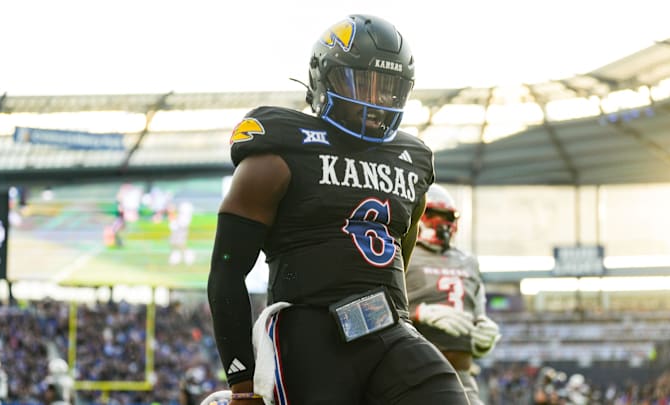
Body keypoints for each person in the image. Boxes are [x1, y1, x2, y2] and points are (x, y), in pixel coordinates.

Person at [207, 14, 468, 405]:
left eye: (388, 88)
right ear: (325, 78)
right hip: (310, 330)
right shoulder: (280, 150)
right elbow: (227, 271)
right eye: (363, 82)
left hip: (387, 327)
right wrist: (241, 380)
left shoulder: (411, 160)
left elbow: (400, 247)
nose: (375, 100)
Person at [405, 183, 500, 405]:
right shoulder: (401, 252)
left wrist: (483, 338)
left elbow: (477, 315)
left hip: (462, 372)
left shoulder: (469, 261)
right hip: (413, 371)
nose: (440, 222)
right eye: (432, 213)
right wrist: (418, 312)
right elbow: (379, 309)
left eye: (445, 215)